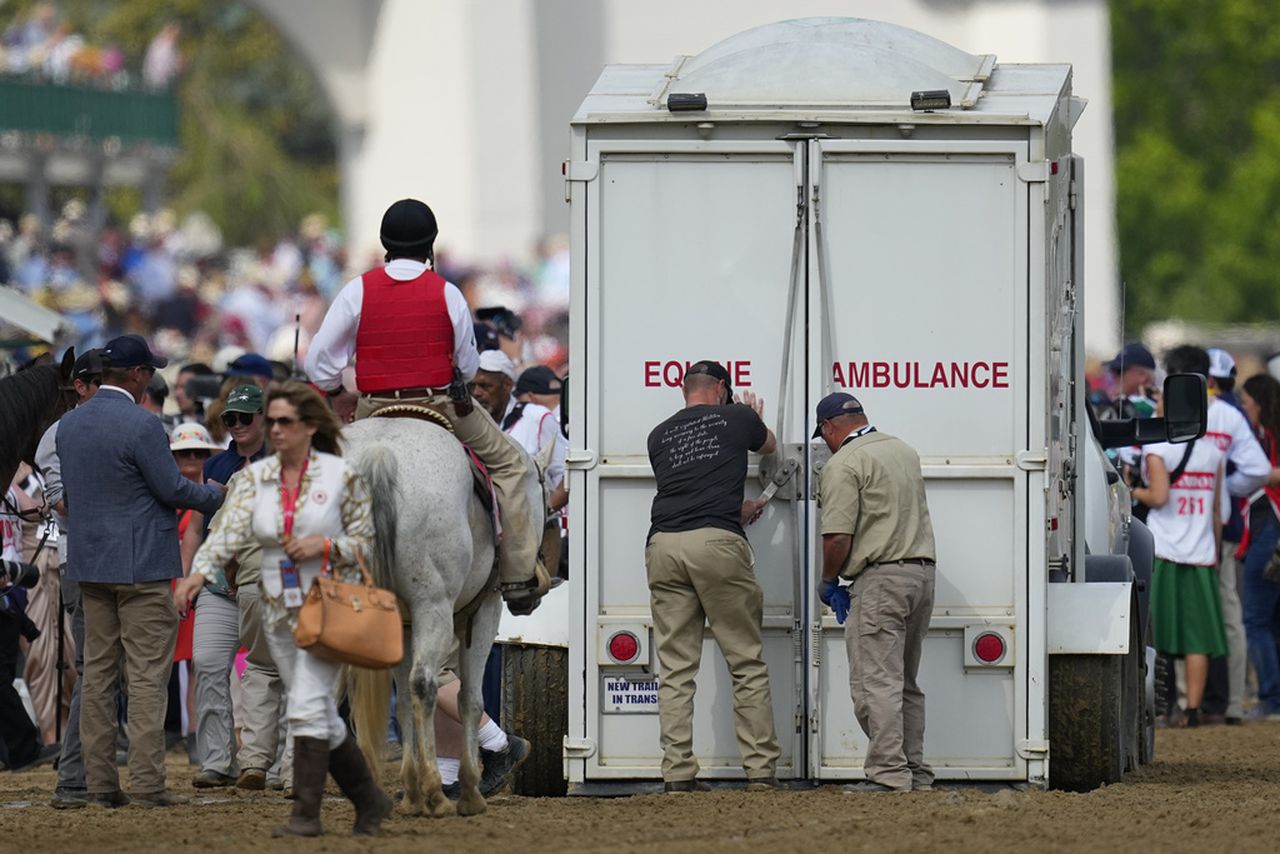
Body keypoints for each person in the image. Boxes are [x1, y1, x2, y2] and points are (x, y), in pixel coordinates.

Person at [304, 198, 549, 615]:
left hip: (372, 407)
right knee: (514, 466)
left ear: (385, 244)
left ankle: (301, 577)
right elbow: (470, 367)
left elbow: (318, 364)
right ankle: (519, 576)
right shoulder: (447, 293)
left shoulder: (357, 290)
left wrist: (336, 388)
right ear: (430, 245)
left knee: (309, 477)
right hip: (441, 406)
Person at [175, 382, 392, 837]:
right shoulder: (250, 478)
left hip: (326, 600)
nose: (274, 430)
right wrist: (198, 574)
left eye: (284, 422)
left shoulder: (341, 478)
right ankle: (366, 799)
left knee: (311, 705)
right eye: (270, 422)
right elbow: (227, 534)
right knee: (314, 709)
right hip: (272, 604)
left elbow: (368, 545)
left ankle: (308, 812)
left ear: (310, 427)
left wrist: (324, 543)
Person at [56, 334, 225, 807]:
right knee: (148, 678)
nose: (150, 377)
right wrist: (216, 495)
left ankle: (100, 786)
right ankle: (148, 785)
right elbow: (172, 489)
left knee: (98, 679)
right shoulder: (143, 425)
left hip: (90, 566)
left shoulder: (69, 425)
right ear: (135, 376)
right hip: (142, 566)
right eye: (148, 371)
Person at [644, 360, 780, 792]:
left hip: (663, 544)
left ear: (685, 391)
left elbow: (690, 487)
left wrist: (728, 504)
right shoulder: (737, 416)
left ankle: (678, 774)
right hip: (717, 546)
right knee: (745, 661)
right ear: (722, 388)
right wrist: (752, 416)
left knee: (676, 668)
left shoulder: (659, 434)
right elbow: (770, 446)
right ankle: (760, 772)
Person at [815, 392, 936, 793]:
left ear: (830, 428)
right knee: (905, 682)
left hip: (881, 579)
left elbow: (837, 537)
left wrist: (829, 580)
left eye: (824, 436)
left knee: (875, 683)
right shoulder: (903, 450)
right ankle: (914, 772)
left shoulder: (844, 463)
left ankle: (888, 775)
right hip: (920, 576)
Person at [181, 385, 284, 791]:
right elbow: (195, 526)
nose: (238, 425)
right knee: (207, 664)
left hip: (264, 580)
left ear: (264, 418)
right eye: (230, 419)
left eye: (246, 417)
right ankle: (217, 760)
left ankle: (270, 762)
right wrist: (190, 577)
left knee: (274, 672)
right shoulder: (218, 464)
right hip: (220, 584)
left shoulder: (282, 462)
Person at [1166, 345, 1273, 722]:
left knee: (1178, 613)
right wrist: (1225, 489)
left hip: (1175, 529)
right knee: (1226, 611)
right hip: (1219, 527)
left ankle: (1182, 701)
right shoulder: (1229, 415)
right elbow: (1258, 470)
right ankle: (1228, 703)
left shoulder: (1168, 412)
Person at [1132, 388, 1228, 728]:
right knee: (1197, 638)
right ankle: (1192, 710)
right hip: (1201, 553)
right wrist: (1214, 550)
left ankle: (1162, 708)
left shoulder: (1157, 448)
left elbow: (1159, 496)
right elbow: (1216, 509)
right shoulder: (1213, 452)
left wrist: (1133, 490)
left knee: (1158, 635)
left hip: (1165, 549)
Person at [38, 348, 102, 808]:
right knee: (95, 669)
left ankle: (87, 771)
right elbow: (62, 503)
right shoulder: (57, 433)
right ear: (78, 386)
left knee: (103, 670)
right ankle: (75, 775)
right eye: (101, 380)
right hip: (81, 556)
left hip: (102, 556)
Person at [169, 422, 221, 761]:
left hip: (203, 583)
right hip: (166, 583)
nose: (191, 458)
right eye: (184, 452)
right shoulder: (164, 493)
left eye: (199, 452)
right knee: (157, 665)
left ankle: (196, 736)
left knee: (199, 665)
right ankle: (169, 732)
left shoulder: (217, 494)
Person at [1238, 374, 1280, 721]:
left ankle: (1271, 698)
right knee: (1273, 619)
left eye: (1248, 399)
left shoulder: (1264, 436)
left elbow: (1264, 474)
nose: (1244, 405)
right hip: (1270, 526)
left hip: (1269, 526)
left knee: (1256, 619)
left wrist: (1261, 473)